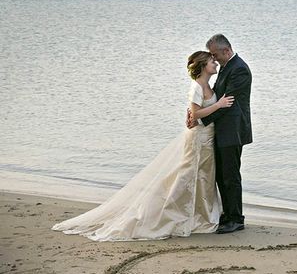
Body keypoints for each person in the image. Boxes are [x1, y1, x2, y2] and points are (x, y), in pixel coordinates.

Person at [52, 52, 235, 241]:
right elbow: (196, 114)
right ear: (203, 65)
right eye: (211, 61)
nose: (215, 63)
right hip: (197, 139)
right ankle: (162, 213)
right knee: (185, 177)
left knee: (203, 177)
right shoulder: (197, 86)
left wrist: (203, 109)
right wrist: (219, 105)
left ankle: (201, 216)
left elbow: (193, 112)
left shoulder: (207, 85)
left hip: (206, 137)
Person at [188, 34, 252, 234]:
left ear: (226, 50)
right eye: (211, 57)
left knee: (230, 175)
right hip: (220, 129)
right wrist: (193, 112)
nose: (213, 59)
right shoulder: (226, 67)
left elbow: (227, 103)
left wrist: (199, 119)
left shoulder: (239, 69)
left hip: (233, 130)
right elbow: (214, 97)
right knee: (221, 175)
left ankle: (236, 218)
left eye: (215, 55)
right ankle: (227, 214)